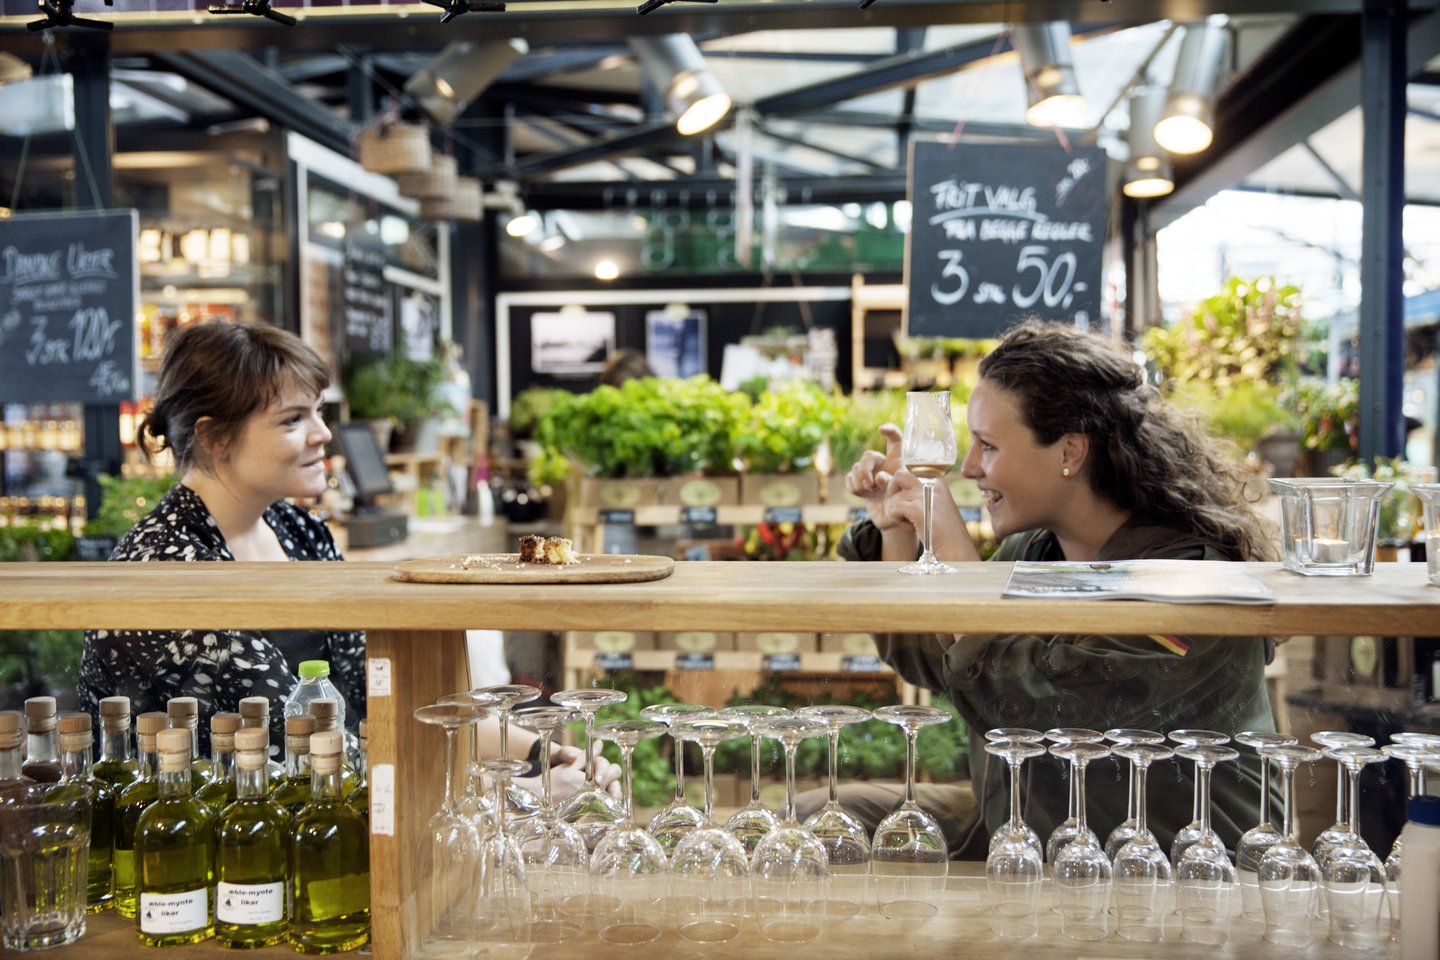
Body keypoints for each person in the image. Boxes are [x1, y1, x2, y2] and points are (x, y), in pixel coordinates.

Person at [77, 321, 618, 797]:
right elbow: (304, 752)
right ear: (214, 436)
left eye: (318, 411)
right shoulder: (170, 566)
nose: (324, 433)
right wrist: (516, 792)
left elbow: (382, 701)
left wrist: (542, 752)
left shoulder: (297, 530)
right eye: (293, 419)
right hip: (219, 847)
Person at [817, 319, 1279, 859]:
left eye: (988, 446)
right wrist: (898, 528)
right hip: (1026, 822)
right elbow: (933, 659)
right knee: (818, 816)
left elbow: (1040, 711)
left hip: (1168, 858)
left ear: (1070, 452)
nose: (968, 467)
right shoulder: (1036, 549)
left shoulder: (1190, 577)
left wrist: (958, 554)